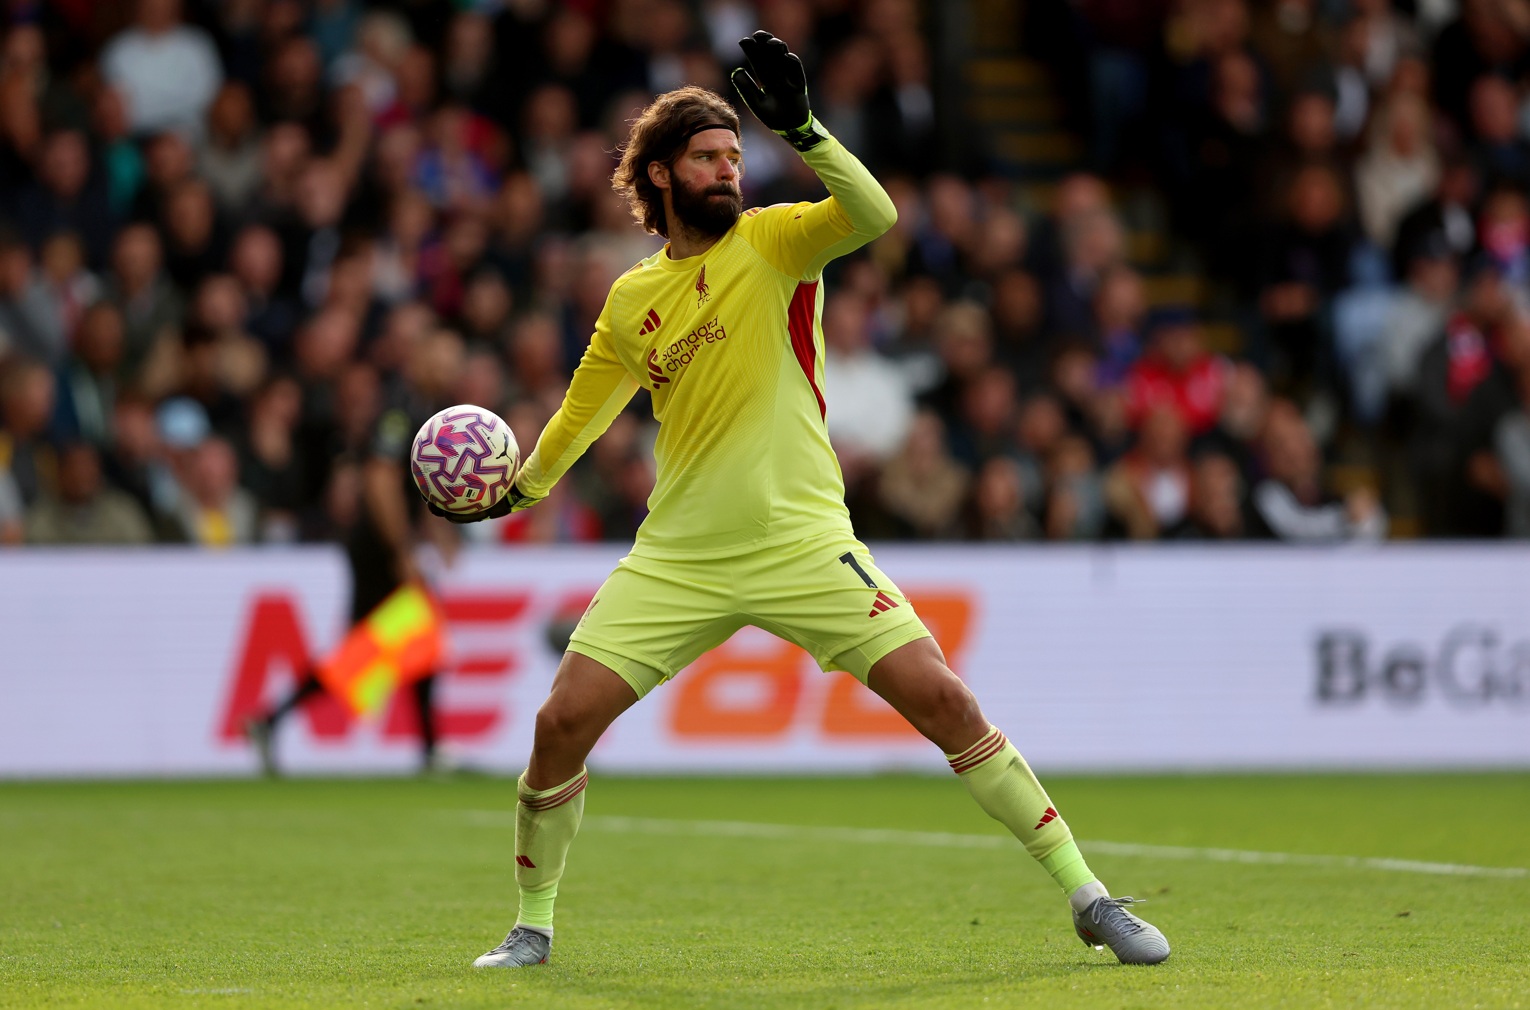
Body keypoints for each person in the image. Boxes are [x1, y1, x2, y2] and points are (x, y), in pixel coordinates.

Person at [434, 33, 1170, 970]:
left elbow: (873, 213)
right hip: (682, 556)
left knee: (943, 698)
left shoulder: (776, 240)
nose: (728, 167)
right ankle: (533, 923)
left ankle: (1090, 898)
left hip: (805, 542)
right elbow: (582, 414)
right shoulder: (629, 301)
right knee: (558, 723)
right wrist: (519, 492)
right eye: (708, 155)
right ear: (661, 174)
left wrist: (806, 129)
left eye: (736, 154)